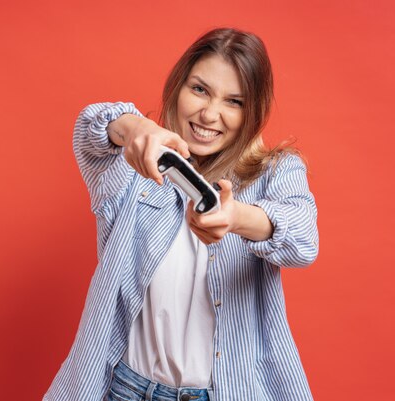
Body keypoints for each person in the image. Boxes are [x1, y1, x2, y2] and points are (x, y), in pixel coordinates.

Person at [44, 27, 319, 401]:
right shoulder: (135, 165)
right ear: (178, 86)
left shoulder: (276, 171)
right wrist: (135, 126)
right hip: (123, 388)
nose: (210, 114)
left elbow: (303, 240)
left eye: (234, 102)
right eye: (200, 89)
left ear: (253, 112)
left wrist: (235, 217)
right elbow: (90, 129)